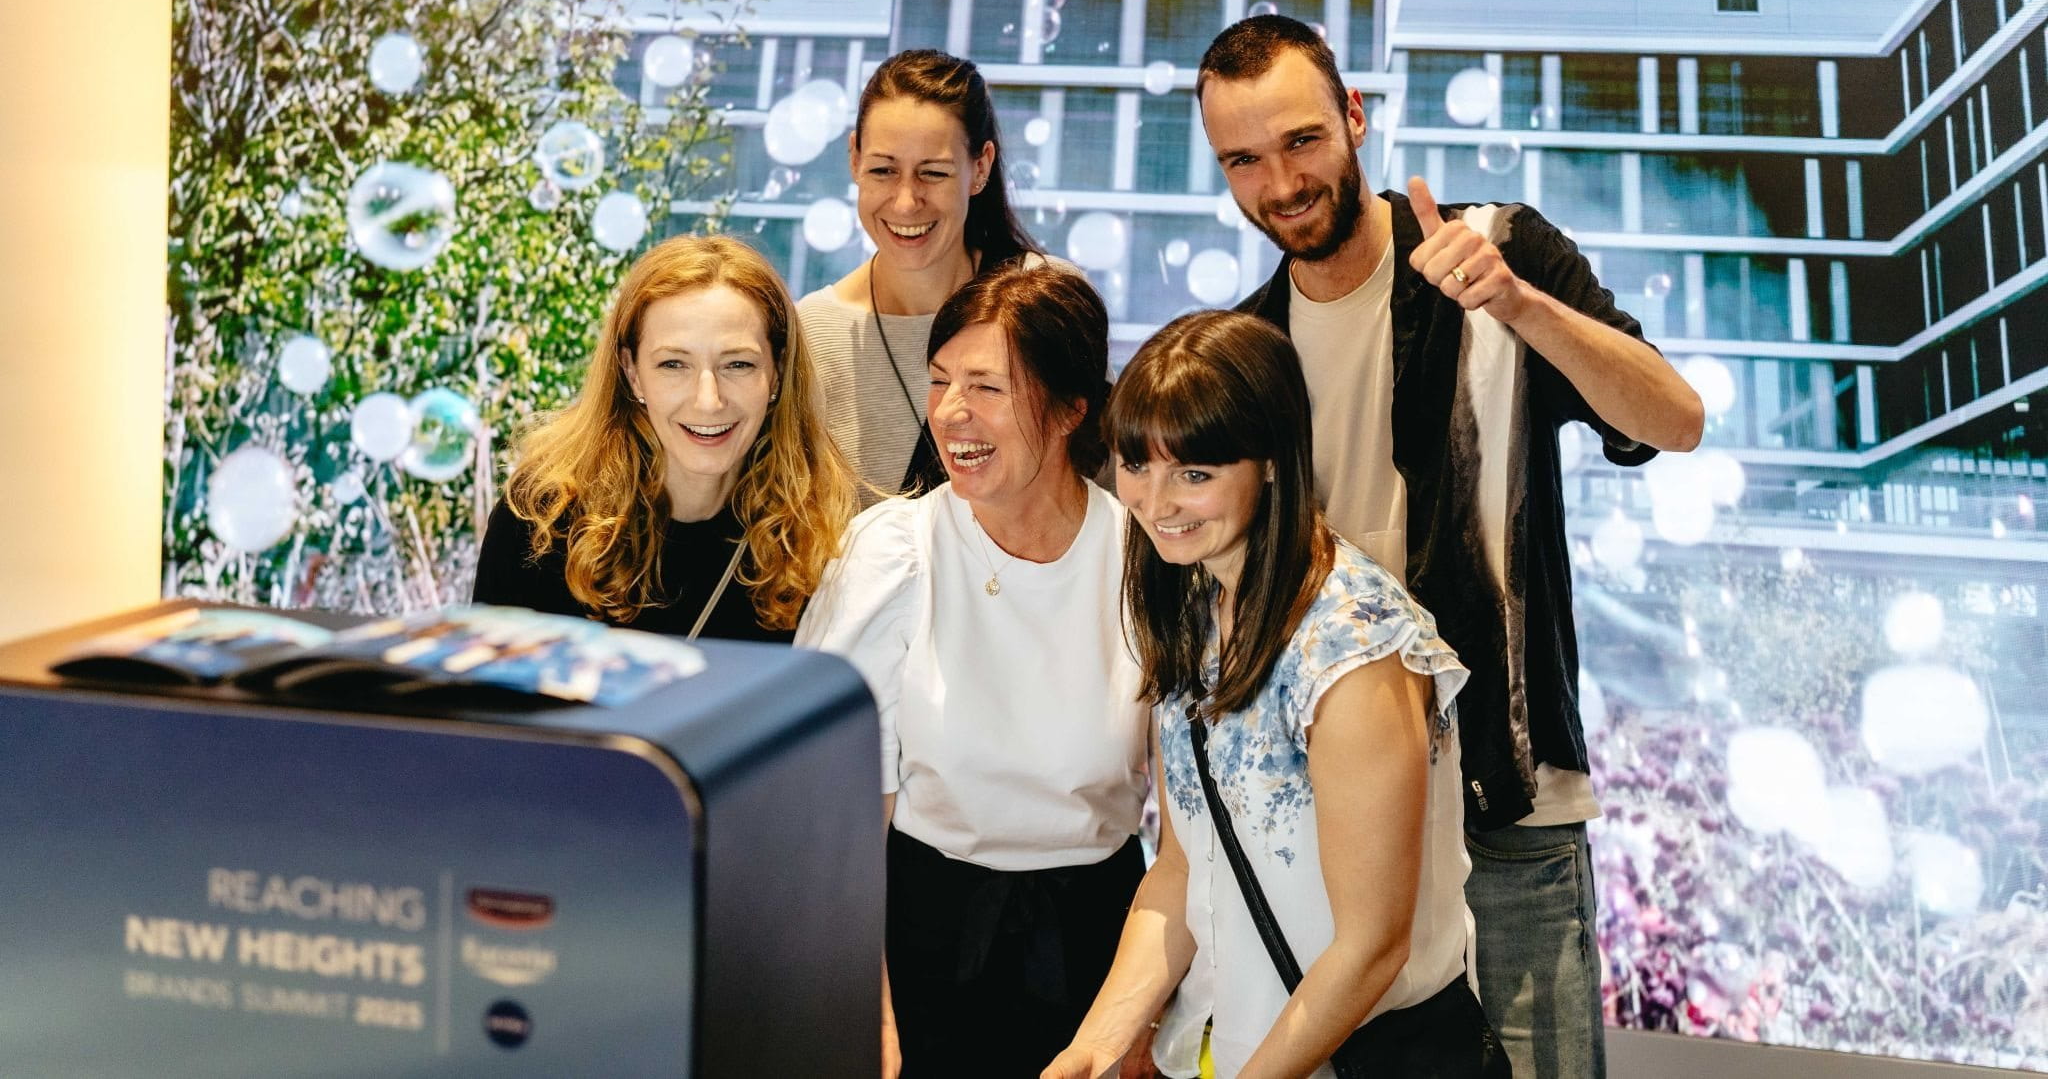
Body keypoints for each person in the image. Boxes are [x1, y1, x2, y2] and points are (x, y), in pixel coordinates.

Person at [1196, 14, 1705, 1077]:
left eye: (1299, 141)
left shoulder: (1493, 252)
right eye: (1242, 159)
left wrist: (1517, 306)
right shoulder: (1245, 349)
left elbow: (1672, 420)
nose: (1278, 183)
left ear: (1353, 116)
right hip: (1334, 820)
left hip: (1502, 803)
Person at [1045, 310, 1503, 1079]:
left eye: (1194, 472)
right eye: (1134, 464)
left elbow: (1371, 948)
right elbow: (1186, 867)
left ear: (1269, 462)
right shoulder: (1193, 605)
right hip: (1227, 1041)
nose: (1155, 502)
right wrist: (1096, 1041)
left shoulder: (1354, 645)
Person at [796, 263, 1149, 1079]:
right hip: (922, 939)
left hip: (1101, 936)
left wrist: (1144, 1008)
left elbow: (1189, 824)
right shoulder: (896, 553)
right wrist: (867, 1015)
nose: (953, 411)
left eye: (987, 386)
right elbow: (838, 823)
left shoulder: (1142, 559)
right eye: (941, 380)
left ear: (1071, 408)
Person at [473, 233, 856, 642]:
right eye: (673, 364)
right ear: (632, 371)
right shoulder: (542, 519)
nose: (708, 401)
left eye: (738, 364)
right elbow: (484, 698)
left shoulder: (819, 528)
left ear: (777, 372)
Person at [797, 48, 1040, 501]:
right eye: (883, 170)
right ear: (854, 159)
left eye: (933, 173)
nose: (906, 202)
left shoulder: (1042, 300)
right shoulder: (812, 331)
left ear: (981, 167)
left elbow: (1105, 494)